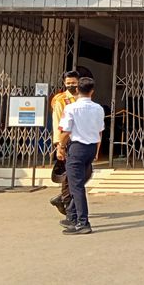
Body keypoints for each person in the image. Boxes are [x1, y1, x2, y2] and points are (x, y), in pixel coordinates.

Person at [57, 77, 104, 235]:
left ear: (77, 90)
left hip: (77, 148)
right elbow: (99, 131)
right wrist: (97, 150)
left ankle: (82, 223)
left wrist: (60, 147)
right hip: (91, 147)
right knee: (75, 182)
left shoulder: (71, 108)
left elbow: (65, 131)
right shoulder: (98, 108)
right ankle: (73, 216)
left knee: (76, 186)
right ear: (92, 91)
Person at [49, 70, 80, 215]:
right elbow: (57, 123)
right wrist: (58, 145)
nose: (71, 86)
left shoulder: (82, 97)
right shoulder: (60, 100)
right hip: (66, 141)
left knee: (82, 173)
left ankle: (63, 199)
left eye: (73, 83)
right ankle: (67, 203)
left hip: (81, 141)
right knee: (70, 174)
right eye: (68, 83)